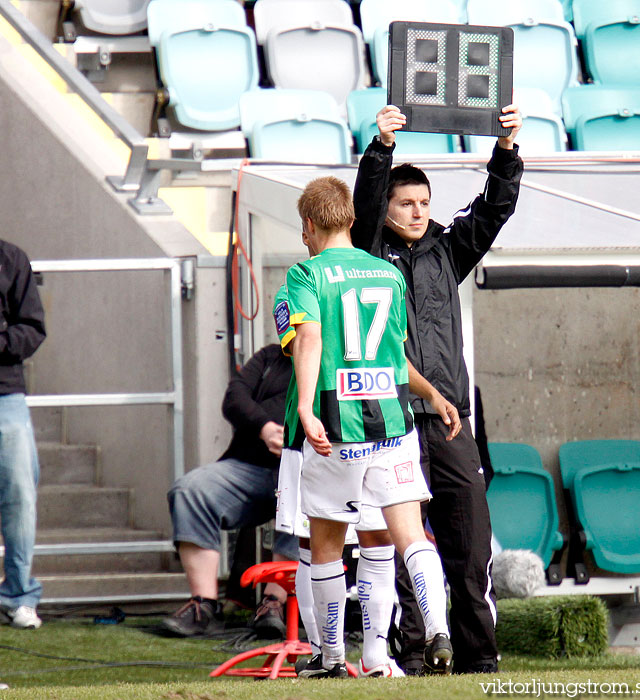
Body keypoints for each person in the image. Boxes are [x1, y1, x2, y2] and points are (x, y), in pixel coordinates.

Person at [351, 104, 524, 674]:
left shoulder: (448, 250)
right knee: (405, 545)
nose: (418, 212)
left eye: (424, 203)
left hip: (451, 418)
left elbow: (496, 208)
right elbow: (365, 207)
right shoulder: (370, 251)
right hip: (393, 420)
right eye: (406, 203)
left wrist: (504, 149)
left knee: (470, 540)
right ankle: (418, 654)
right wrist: (381, 148)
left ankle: (480, 656)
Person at [285, 175, 457, 678]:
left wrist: (306, 410)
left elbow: (309, 339)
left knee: (326, 546)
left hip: (338, 430)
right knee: (412, 537)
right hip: (394, 426)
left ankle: (331, 657)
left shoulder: (306, 275)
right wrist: (432, 394)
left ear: (309, 225)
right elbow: (395, 357)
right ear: (354, 220)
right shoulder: (388, 273)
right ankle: (436, 629)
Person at [162, 344, 298, 638]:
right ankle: (203, 606)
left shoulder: (337, 361)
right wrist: (264, 427)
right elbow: (234, 399)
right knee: (189, 490)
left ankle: (274, 603)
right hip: (251, 468)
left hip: (305, 471)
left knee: (307, 493)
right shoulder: (271, 357)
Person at [0, 240, 46, 630]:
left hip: (4, 392)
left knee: (19, 492)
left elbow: (32, 328)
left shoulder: (11, 259)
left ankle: (17, 594)